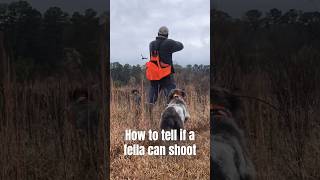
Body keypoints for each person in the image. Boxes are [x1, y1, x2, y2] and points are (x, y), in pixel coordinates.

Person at [148, 26, 184, 104]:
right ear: (167, 35)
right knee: (171, 96)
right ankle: (171, 110)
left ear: (158, 33)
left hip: (154, 74)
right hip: (166, 74)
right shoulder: (169, 42)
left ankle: (148, 112)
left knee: (152, 97)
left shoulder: (151, 44)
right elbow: (181, 46)